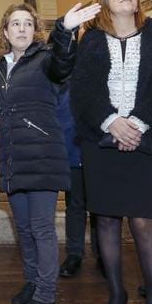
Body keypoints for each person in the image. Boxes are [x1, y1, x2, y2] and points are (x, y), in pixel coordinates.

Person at [71, 0, 152, 304]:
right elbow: (82, 91)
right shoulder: (91, 42)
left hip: (146, 141)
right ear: (104, 0)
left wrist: (136, 125)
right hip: (99, 140)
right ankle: (116, 294)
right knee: (104, 220)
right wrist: (112, 122)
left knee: (144, 221)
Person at [0, 1, 100, 304]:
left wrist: (65, 30)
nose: (21, 29)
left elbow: (64, 62)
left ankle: (46, 296)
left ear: (35, 31)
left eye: (27, 24)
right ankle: (33, 282)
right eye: (15, 24)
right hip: (13, 155)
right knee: (23, 228)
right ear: (5, 31)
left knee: (42, 228)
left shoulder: (46, 59)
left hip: (44, 154)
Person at [55, 85, 100, 278]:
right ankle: (74, 254)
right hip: (71, 147)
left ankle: (104, 254)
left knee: (102, 207)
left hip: (99, 149)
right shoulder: (63, 76)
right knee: (74, 204)